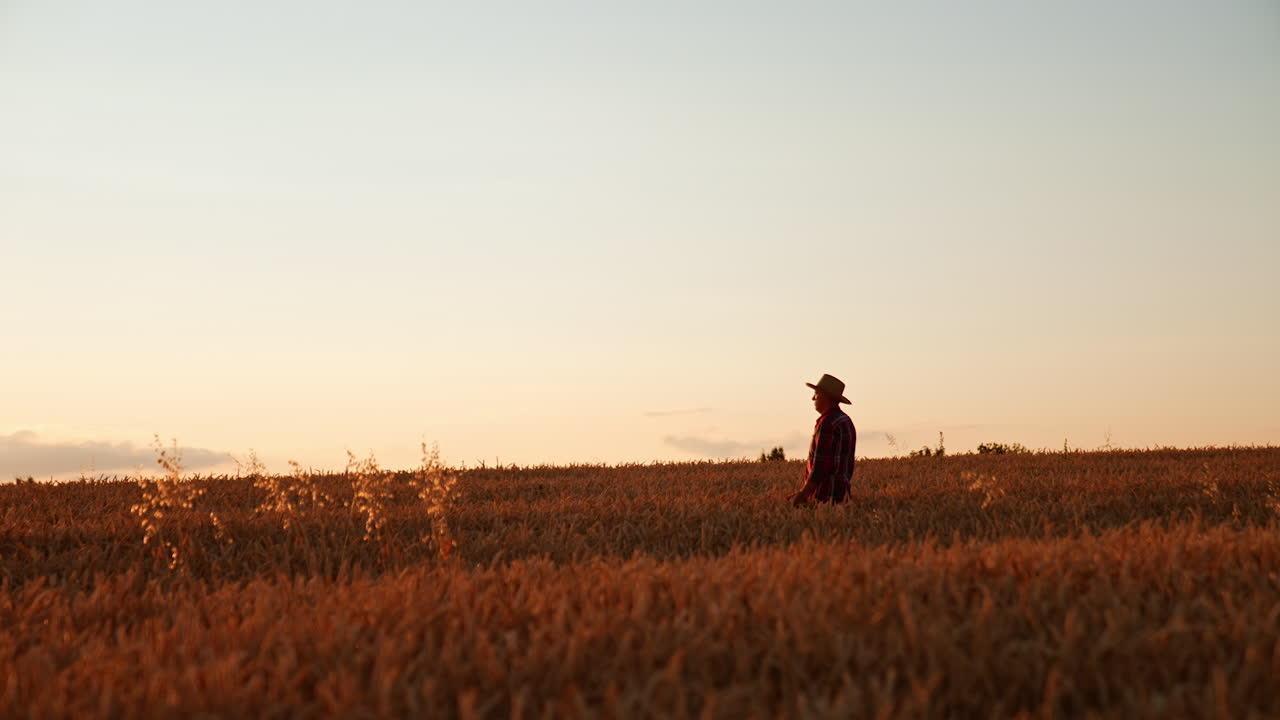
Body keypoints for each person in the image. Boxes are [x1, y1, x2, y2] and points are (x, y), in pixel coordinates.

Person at [788, 373, 857, 506]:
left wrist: (804, 494)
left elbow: (820, 466)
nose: (813, 398)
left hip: (824, 496)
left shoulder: (827, 423)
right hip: (842, 494)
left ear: (825, 396)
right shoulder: (846, 420)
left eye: (816, 394)